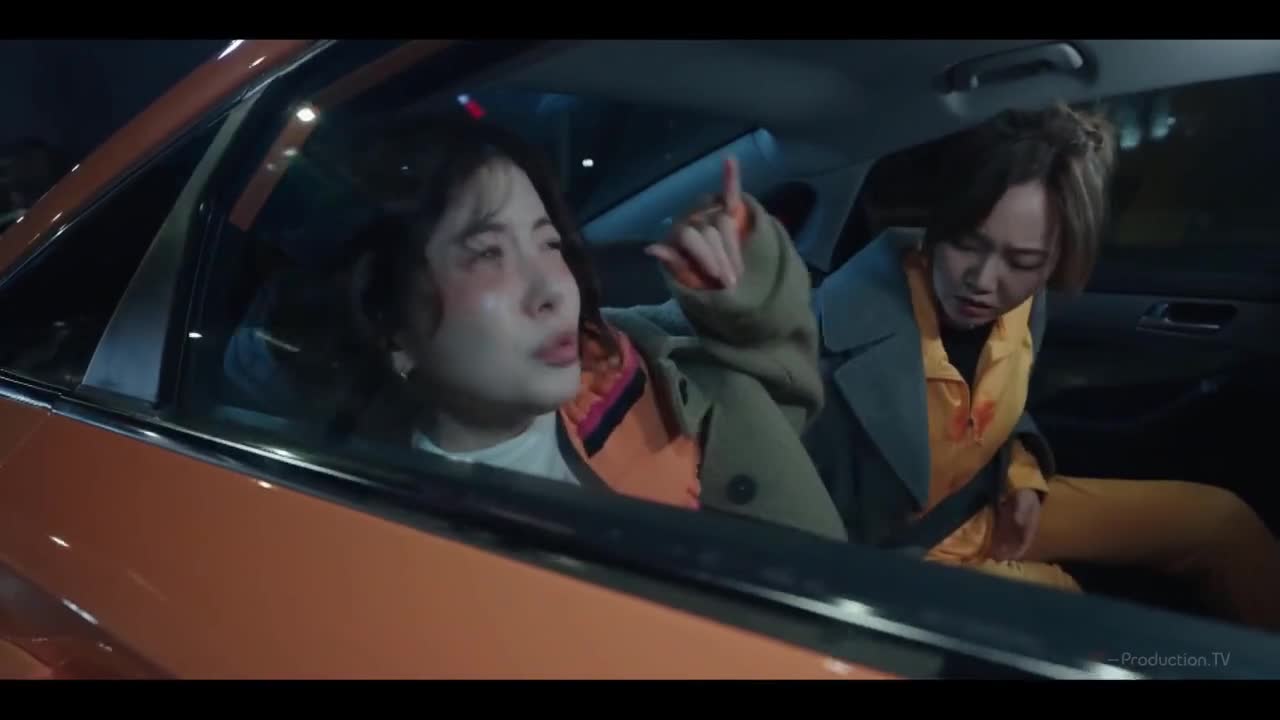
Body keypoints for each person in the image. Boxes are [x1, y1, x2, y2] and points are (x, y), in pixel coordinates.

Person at [805, 102, 1280, 632]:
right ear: (939, 222)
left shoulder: (1026, 305)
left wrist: (1022, 476)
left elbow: (996, 406)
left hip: (988, 503)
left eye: (1023, 261)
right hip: (905, 558)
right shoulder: (824, 337)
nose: (984, 281)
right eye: (967, 244)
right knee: (1091, 632)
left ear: (1057, 259)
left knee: (1218, 522)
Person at [323, 113, 847, 540]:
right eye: (488, 254)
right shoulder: (389, 523)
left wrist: (741, 280)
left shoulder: (631, 360)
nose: (553, 289)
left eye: (549, 243)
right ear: (393, 329)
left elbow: (781, 403)